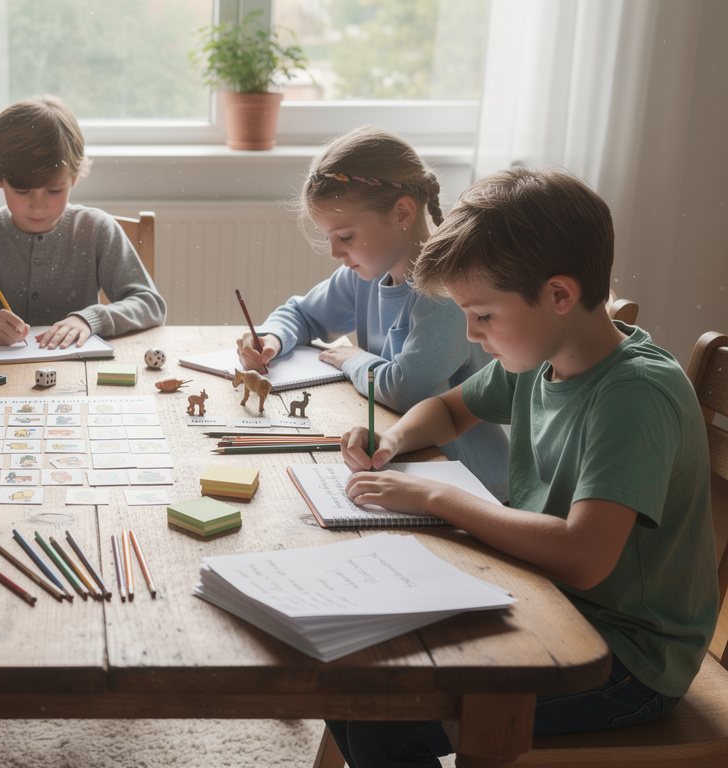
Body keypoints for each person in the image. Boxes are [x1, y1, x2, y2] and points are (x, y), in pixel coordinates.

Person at [326, 167, 717, 767]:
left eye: (483, 315)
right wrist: (394, 440)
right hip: (542, 598)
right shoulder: (542, 354)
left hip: (627, 659)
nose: (473, 334)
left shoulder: (633, 395)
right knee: (350, 672)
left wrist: (438, 499)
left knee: (391, 717)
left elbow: (584, 558)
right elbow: (450, 408)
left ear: (559, 295)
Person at [236, 126, 508, 500]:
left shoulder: (446, 290)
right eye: (328, 237)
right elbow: (303, 313)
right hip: (401, 459)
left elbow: (408, 390)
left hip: (470, 484)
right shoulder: (365, 274)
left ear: (402, 213)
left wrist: (354, 359)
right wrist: (271, 338)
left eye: (345, 237)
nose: (334, 253)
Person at [0, 95, 166, 349]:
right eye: (23, 192)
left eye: (54, 191)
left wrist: (89, 319)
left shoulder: (97, 230)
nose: (38, 205)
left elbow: (150, 304)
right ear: (0, 179)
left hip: (76, 378)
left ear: (73, 179)